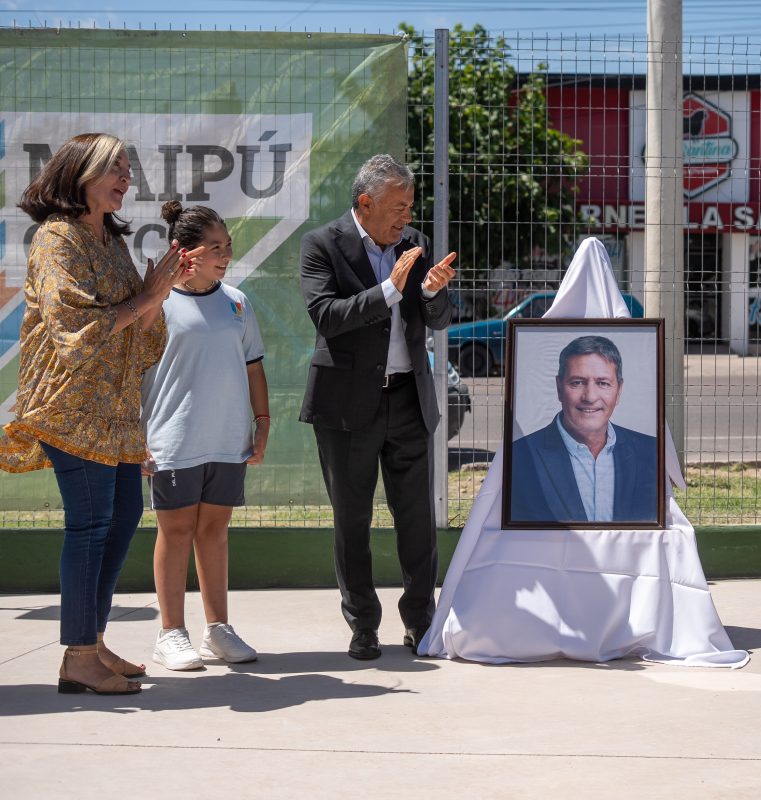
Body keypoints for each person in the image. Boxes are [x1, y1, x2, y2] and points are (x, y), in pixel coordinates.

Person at [0, 133, 195, 695]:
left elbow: (138, 328)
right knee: (89, 524)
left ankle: (92, 641)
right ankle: (79, 656)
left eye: (128, 169)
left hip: (114, 407)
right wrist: (146, 298)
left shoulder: (109, 239)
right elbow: (73, 328)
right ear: (80, 173)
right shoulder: (56, 237)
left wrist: (161, 291)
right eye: (115, 168)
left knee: (123, 515)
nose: (126, 178)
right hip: (70, 404)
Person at [299, 155, 457, 661]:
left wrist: (430, 292)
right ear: (365, 203)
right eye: (397, 207)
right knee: (353, 520)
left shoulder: (414, 244)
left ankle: (421, 620)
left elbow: (436, 319)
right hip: (346, 406)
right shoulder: (322, 245)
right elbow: (327, 316)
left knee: (417, 518)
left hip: (409, 398)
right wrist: (390, 289)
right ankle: (363, 625)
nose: (406, 217)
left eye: (410, 206)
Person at [140, 201, 270, 670]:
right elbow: (132, 371)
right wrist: (136, 435)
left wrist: (262, 422)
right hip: (171, 440)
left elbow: (253, 367)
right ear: (185, 252)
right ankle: (170, 633)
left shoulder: (237, 302)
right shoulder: (155, 303)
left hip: (228, 439)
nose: (226, 255)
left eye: (227, 245)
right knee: (175, 531)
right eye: (215, 247)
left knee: (214, 531)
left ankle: (218, 629)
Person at [508, 335, 658, 525]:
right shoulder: (519, 457)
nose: (590, 397)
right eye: (577, 382)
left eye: (603, 383)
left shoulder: (651, 453)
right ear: (559, 388)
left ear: (619, 390)